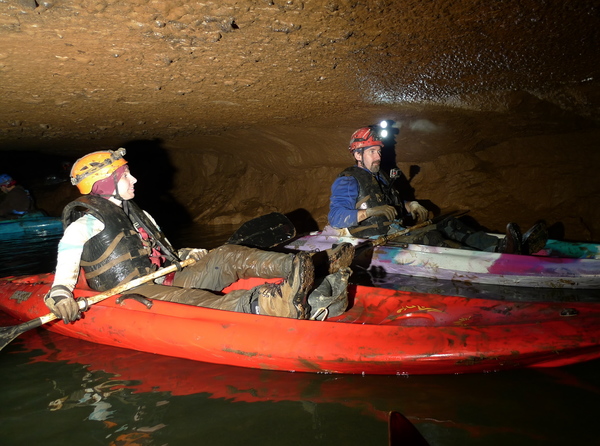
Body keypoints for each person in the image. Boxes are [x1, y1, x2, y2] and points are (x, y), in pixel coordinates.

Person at [44, 148, 354, 325]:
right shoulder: (86, 221)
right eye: (125, 175)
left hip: (164, 278)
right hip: (130, 295)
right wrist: (59, 294)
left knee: (226, 254)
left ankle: (305, 267)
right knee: (196, 302)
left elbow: (157, 249)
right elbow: (68, 254)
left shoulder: (138, 212)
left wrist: (184, 255)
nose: (133, 178)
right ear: (104, 183)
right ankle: (273, 305)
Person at [326, 126, 547, 255]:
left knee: (448, 223)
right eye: (372, 151)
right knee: (432, 236)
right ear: (358, 155)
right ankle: (485, 258)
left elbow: (388, 204)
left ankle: (499, 246)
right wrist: (369, 214)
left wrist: (410, 204)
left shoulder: (381, 177)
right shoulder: (348, 180)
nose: (378, 156)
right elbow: (336, 217)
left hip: (397, 230)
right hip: (377, 240)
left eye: (378, 151)